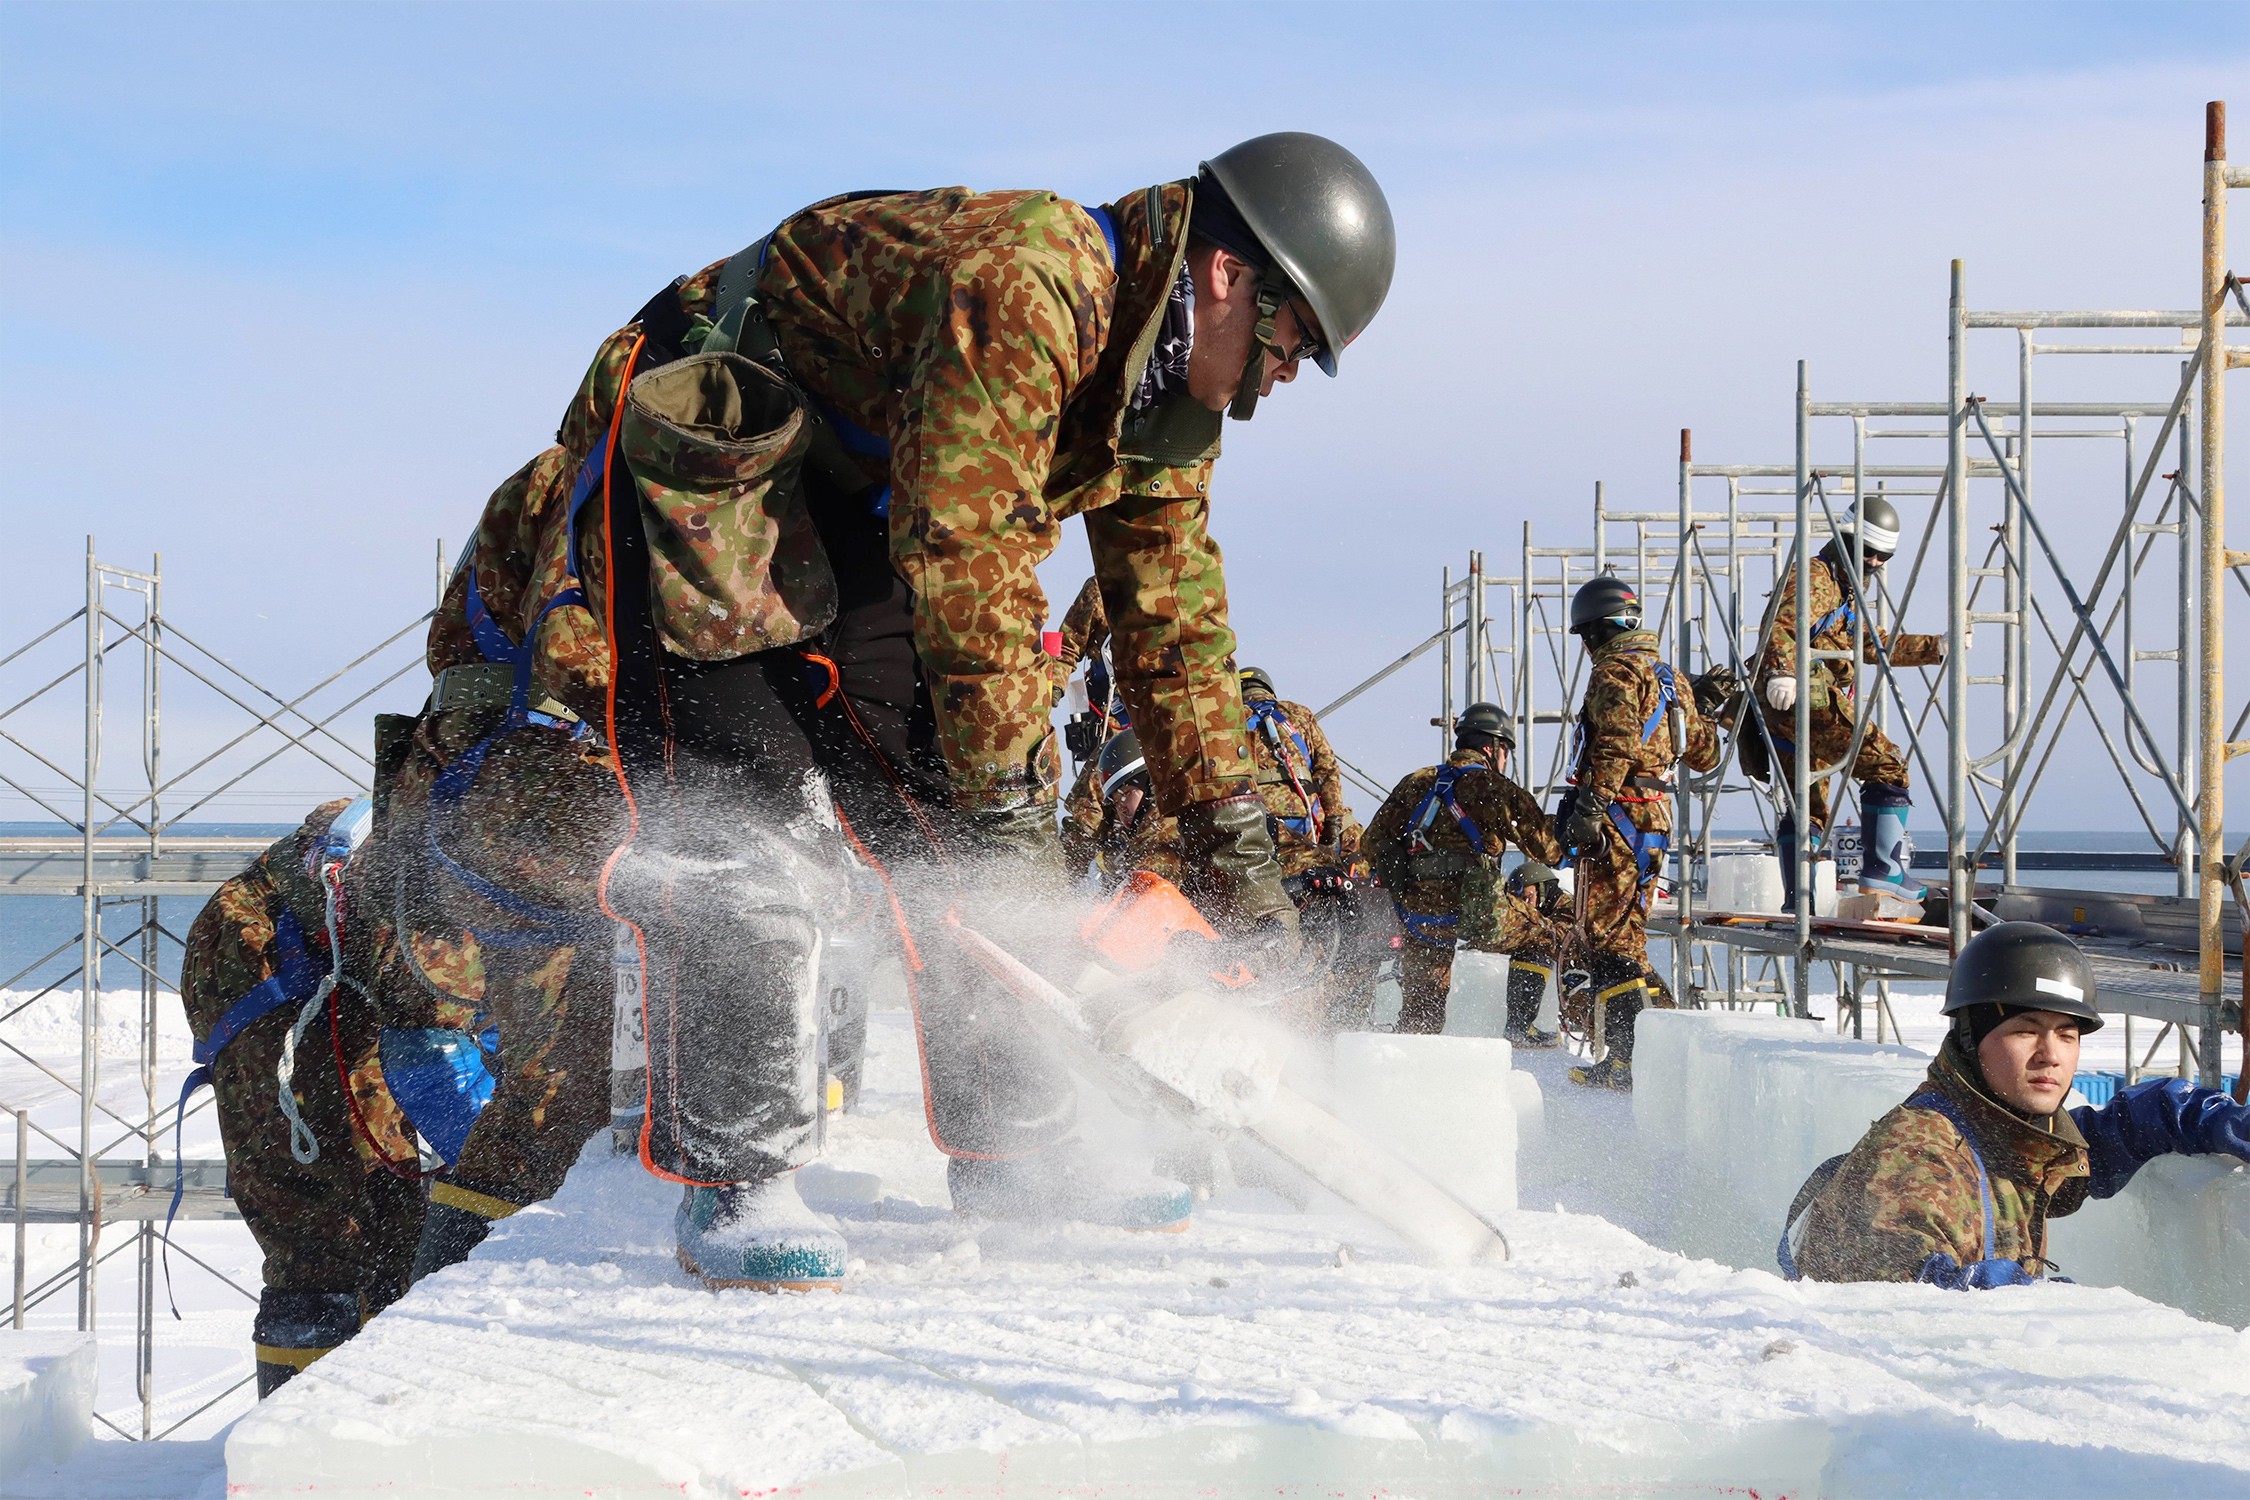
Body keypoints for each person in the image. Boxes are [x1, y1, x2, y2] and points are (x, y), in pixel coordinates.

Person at [419, 134, 1397, 1288]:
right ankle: (743, 1177)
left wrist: (1247, 884)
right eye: (1291, 348)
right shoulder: (1034, 279)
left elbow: (1173, 634)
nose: (1280, 382)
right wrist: (1013, 816)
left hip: (859, 505)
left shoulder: (1165, 407)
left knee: (960, 822)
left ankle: (1016, 1147)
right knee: (755, 815)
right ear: (1232, 278)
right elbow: (965, 555)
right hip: (709, 468)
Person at [1783, 922, 2250, 1286]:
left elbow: (2115, 1134)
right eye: (2026, 1031)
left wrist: (2218, 1121)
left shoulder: (2001, 1133)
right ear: (1971, 1037)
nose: (2051, 1055)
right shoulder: (1920, 1154)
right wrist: (2049, 1305)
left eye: (2067, 1035)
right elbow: (1905, 1285)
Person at [178, 799, 423, 1394]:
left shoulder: (253, 895)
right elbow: (431, 999)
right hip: (302, 1089)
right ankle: (314, 1443)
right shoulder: (358, 887)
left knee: (318, 1254)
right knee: (344, 1248)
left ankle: (309, 1430)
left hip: (289, 1085)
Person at [1555, 577, 1720, 1089]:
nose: (1585, 647)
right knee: (1627, 937)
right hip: (1653, 817)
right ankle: (1663, 1047)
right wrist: (1700, 710)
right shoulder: (1671, 679)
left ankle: (1627, 1062)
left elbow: (1614, 747)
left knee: (1610, 945)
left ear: (1600, 629)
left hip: (1618, 817)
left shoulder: (1615, 670)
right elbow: (1706, 755)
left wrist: (1590, 807)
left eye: (1585, 635)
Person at [1755, 495, 1944, 903]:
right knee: (1886, 763)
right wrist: (1783, 672)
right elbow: (1781, 625)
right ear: (1846, 540)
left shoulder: (1844, 588)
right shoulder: (1817, 578)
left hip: (1792, 695)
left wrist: (1935, 646)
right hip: (1803, 690)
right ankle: (1885, 871)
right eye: (1869, 552)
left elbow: (1868, 644)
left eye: (1883, 556)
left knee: (1806, 802)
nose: (1875, 562)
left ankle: (1799, 897)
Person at [1363, 703, 1567, 1040]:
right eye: (1505, 752)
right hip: (1480, 914)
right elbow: (1548, 850)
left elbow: (1371, 843)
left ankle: (1409, 1066)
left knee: (1422, 1006)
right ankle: (1523, 1028)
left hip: (1420, 917)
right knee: (1554, 937)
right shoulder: (1491, 787)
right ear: (1492, 747)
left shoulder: (1416, 782)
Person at [1069, 728, 1186, 888]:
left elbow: (1149, 886)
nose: (1121, 807)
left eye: (1127, 793)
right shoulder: (1133, 837)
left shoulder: (1167, 829)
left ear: (1152, 788)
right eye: (1116, 802)